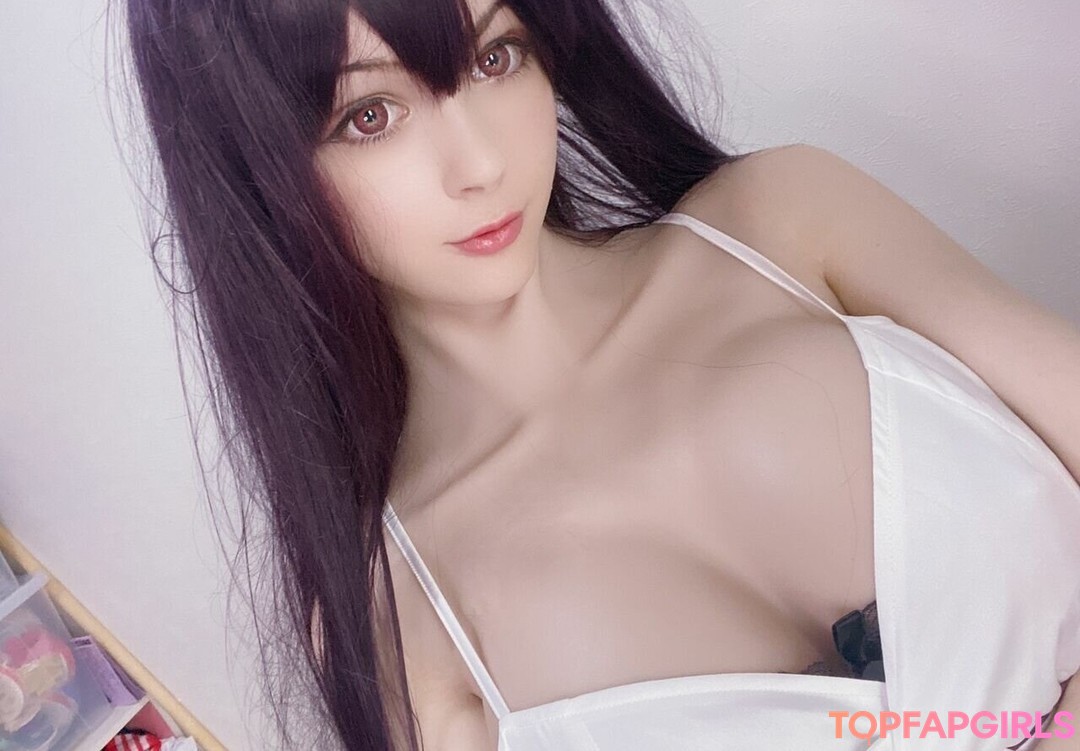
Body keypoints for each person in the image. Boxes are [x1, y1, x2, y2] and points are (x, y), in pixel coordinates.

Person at [119, 0, 1080, 748]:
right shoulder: (392, 613)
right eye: (369, 115)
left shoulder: (786, 222)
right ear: (258, 177)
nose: (479, 162)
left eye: (494, 58)